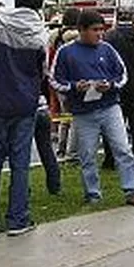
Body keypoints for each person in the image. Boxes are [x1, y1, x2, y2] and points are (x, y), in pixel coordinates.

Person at [50, 10, 134, 208]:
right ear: (81, 30)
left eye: (101, 30)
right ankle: (93, 194)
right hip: (83, 112)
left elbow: (122, 75)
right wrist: (73, 87)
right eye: (95, 30)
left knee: (122, 149)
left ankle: (132, 191)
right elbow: (54, 79)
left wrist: (111, 85)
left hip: (109, 107)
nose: (99, 34)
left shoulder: (107, 49)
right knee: (87, 155)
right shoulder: (66, 52)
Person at [0, 0, 49, 238]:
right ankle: (18, 220)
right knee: (21, 165)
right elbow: (42, 73)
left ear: (16, 1)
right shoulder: (39, 35)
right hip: (24, 105)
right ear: (38, 7)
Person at [100, 6, 134, 171]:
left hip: (114, 88)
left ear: (117, 17)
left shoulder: (108, 37)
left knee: (112, 126)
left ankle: (110, 160)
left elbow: (103, 63)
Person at [49, 8, 81, 158]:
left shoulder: (55, 37)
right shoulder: (76, 38)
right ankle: (72, 151)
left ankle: (61, 148)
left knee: (64, 116)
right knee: (75, 117)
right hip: (73, 81)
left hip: (59, 81)